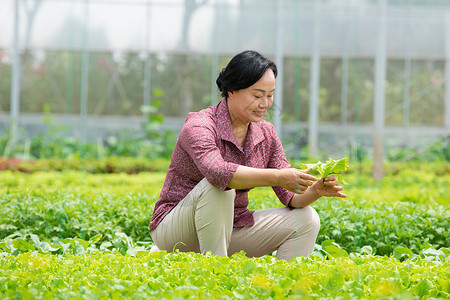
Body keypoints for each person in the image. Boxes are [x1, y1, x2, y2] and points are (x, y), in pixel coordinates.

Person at [149, 50, 347, 261]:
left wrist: (315, 190)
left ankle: (284, 289)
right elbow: (218, 173)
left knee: (307, 218)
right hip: (175, 230)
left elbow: (291, 198)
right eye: (257, 95)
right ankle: (216, 274)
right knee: (220, 187)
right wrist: (278, 176)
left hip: (230, 228)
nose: (265, 103)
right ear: (232, 90)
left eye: (270, 95)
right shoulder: (200, 125)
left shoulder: (266, 133)